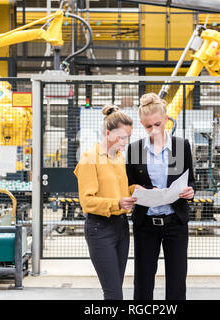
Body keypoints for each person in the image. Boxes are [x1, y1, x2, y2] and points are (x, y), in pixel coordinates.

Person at [126, 92, 195, 300]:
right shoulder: (135, 149)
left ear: (166, 119)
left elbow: (190, 180)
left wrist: (190, 192)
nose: (154, 130)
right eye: (148, 127)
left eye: (158, 124)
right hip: (146, 223)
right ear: (141, 124)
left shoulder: (181, 147)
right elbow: (128, 184)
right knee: (144, 279)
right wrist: (141, 189)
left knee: (176, 280)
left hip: (175, 221)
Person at [74, 105, 137, 300]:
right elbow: (87, 201)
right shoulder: (89, 160)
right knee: (114, 293)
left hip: (121, 228)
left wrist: (137, 191)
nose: (126, 142)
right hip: (100, 229)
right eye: (122, 137)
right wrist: (117, 203)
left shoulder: (118, 157)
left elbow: (119, 191)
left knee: (115, 288)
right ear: (108, 133)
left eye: (128, 137)